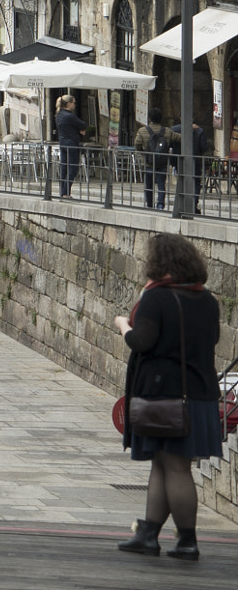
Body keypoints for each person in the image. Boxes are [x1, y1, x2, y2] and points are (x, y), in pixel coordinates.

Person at [114, 232, 224, 560]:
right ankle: (148, 534)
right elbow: (212, 339)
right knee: (163, 464)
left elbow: (142, 341)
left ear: (159, 263)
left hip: (165, 396)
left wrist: (123, 325)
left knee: (174, 467)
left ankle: (187, 541)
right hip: (198, 393)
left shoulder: (156, 298)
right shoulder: (206, 300)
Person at [53, 94, 86, 196]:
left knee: (64, 168)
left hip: (62, 143)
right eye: (74, 103)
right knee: (73, 168)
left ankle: (63, 192)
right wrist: (80, 130)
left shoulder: (58, 115)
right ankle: (66, 192)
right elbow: (83, 125)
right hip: (72, 144)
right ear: (68, 104)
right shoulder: (70, 116)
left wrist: (77, 129)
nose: (75, 105)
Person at [141, 122, 173, 211]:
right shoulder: (167, 131)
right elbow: (177, 138)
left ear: (150, 118)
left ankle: (150, 204)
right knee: (161, 184)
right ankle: (160, 205)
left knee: (148, 185)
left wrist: (144, 152)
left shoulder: (143, 131)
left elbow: (137, 143)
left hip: (149, 163)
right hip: (162, 163)